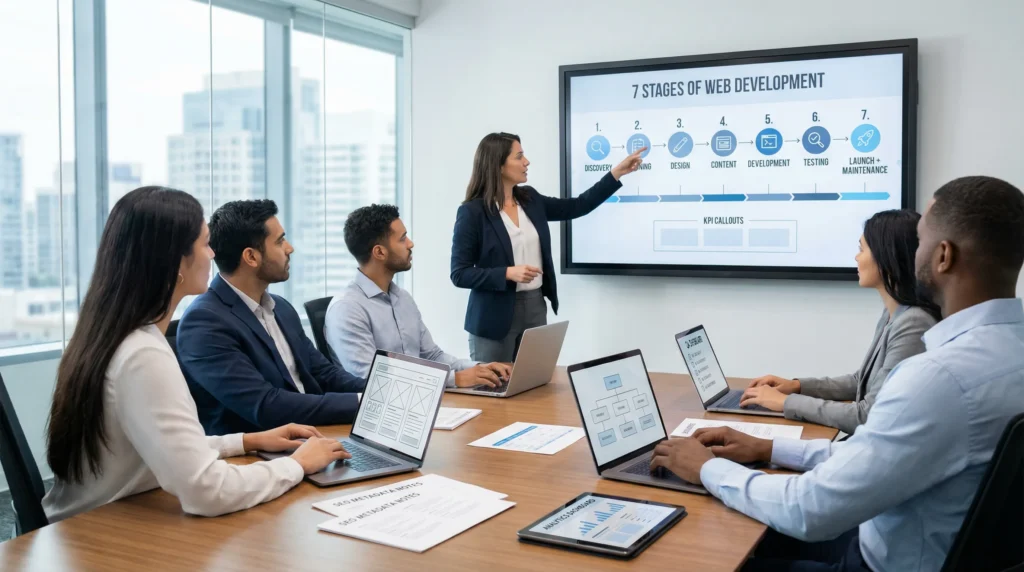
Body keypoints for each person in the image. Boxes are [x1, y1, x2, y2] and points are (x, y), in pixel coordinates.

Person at [649, 176, 1024, 571]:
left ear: (943, 256)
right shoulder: (1002, 355)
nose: (913, 252)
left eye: (920, 239)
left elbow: (810, 510)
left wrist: (707, 468)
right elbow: (875, 453)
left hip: (873, 560)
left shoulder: (937, 379)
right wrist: (767, 448)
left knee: (693, 557)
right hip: (904, 542)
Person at [43, 187, 349, 522]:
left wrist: (246, 441)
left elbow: (172, 447)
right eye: (205, 244)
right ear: (175, 260)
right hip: (98, 531)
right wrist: (297, 464)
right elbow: (205, 490)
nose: (213, 254)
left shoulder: (117, 336)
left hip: (104, 519)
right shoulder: (142, 355)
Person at [451, 132, 645, 362]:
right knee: (493, 382)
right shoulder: (472, 212)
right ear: (498, 165)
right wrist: (507, 273)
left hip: (535, 307)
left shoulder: (530, 199)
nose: (527, 162)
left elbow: (578, 206)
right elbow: (459, 273)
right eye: (519, 156)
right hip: (492, 316)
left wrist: (616, 173)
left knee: (533, 380)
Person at [740, 209, 940, 433]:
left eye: (861, 249)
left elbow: (868, 415)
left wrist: (786, 402)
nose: (856, 257)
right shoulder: (893, 312)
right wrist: (796, 386)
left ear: (887, 256)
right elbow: (860, 381)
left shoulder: (914, 324)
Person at [177, 199, 365, 436]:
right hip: (256, 451)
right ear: (251, 257)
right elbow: (267, 406)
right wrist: (364, 403)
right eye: (279, 241)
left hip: (312, 435)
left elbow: (324, 374)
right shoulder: (204, 323)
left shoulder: (281, 308)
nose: (289, 248)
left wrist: (380, 394)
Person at [325, 204, 512, 389]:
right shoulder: (346, 309)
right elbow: (373, 379)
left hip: (420, 398)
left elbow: (432, 356)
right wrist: (455, 379)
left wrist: (479, 368)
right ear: (379, 252)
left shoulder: (402, 298)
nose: (410, 244)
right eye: (402, 239)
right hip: (385, 404)